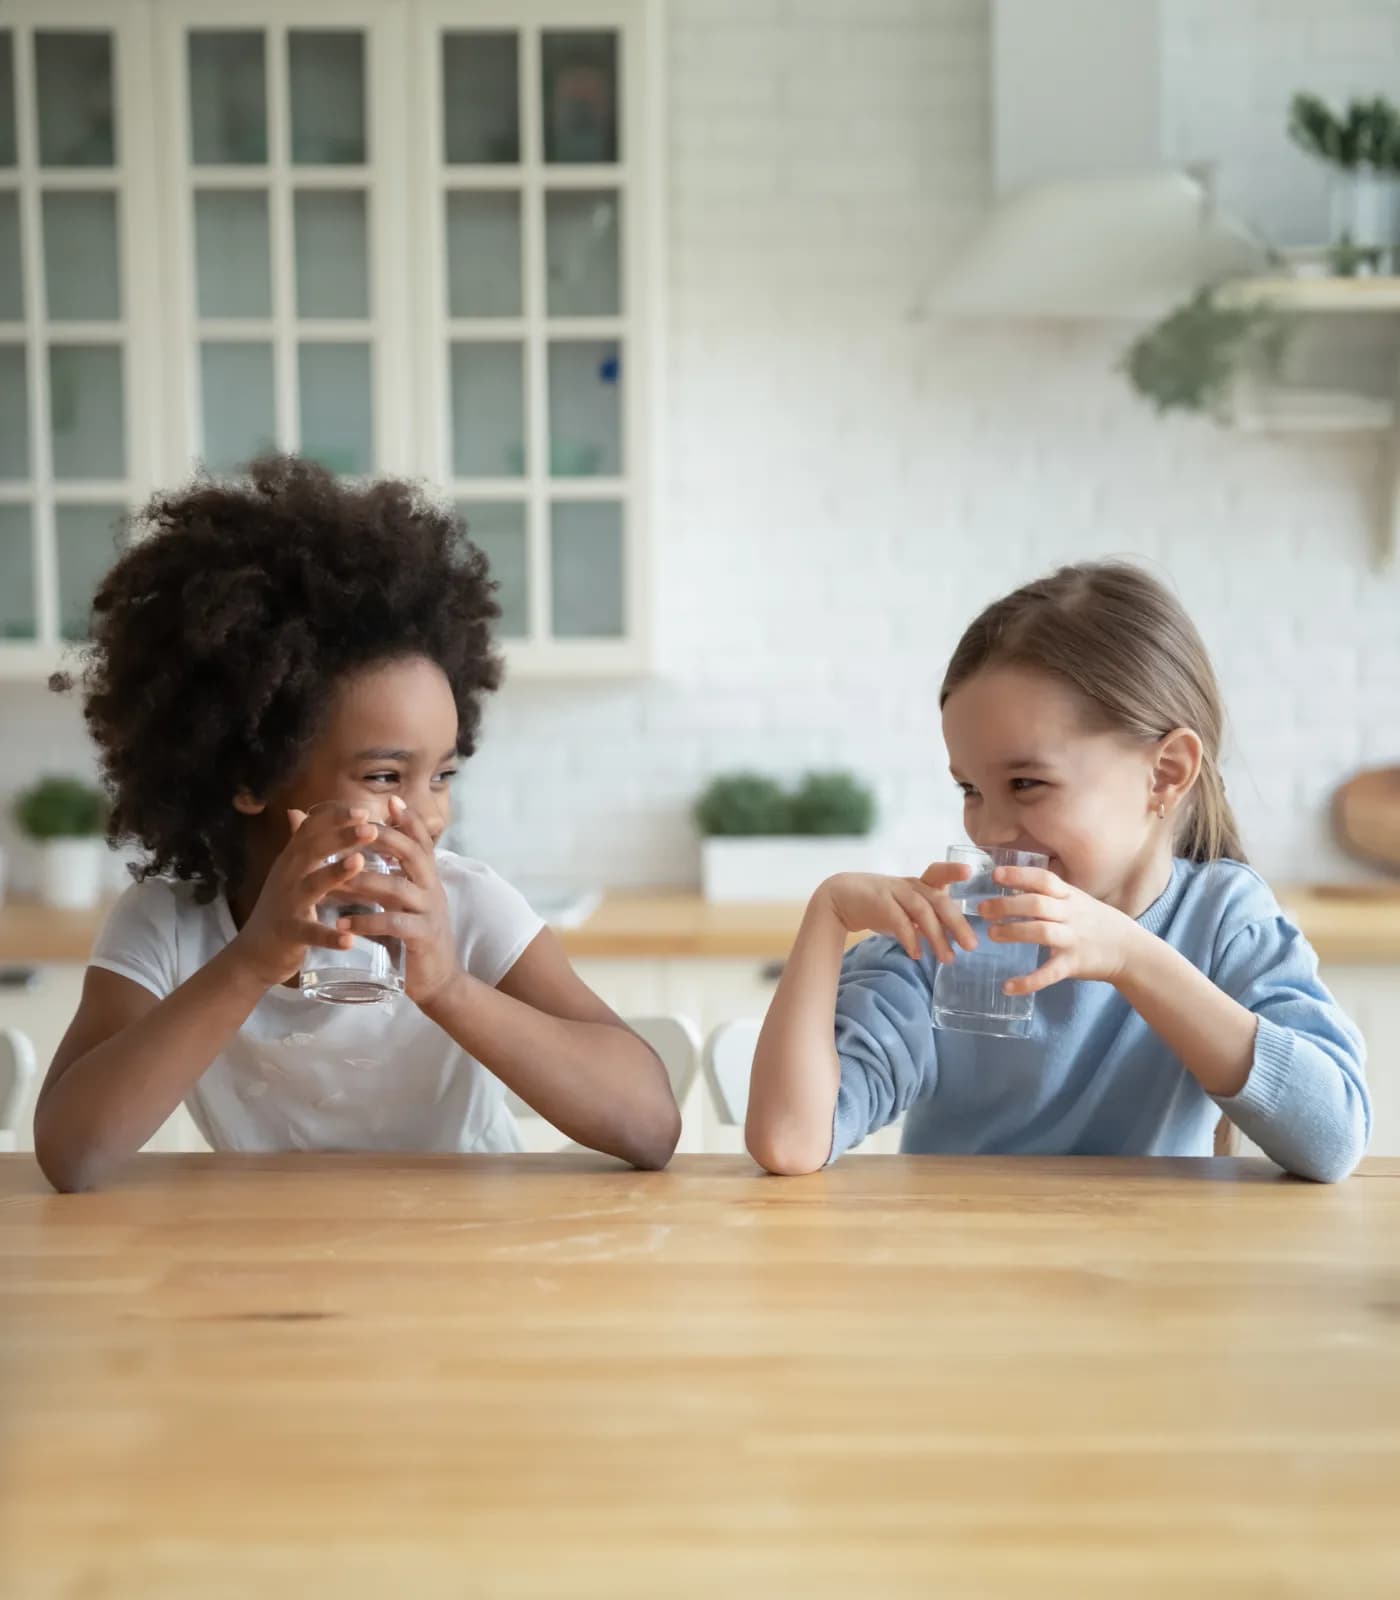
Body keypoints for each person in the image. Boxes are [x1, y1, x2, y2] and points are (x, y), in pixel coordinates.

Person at [34, 456, 680, 1191]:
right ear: (249, 776)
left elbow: (651, 1125)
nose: (427, 816)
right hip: (271, 1268)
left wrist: (449, 989)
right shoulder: (169, 927)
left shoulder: (467, 908)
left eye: (440, 776)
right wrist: (249, 963)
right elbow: (72, 1154)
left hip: (467, 1254)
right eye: (383, 778)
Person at [745, 562, 1368, 1183]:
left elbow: (1333, 1139)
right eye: (970, 788)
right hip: (958, 1265)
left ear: (1166, 773)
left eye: (1025, 783)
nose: (986, 831)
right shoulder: (953, 932)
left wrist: (1131, 957)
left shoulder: (1222, 919)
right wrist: (826, 917)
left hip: (1153, 1273)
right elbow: (790, 1141)